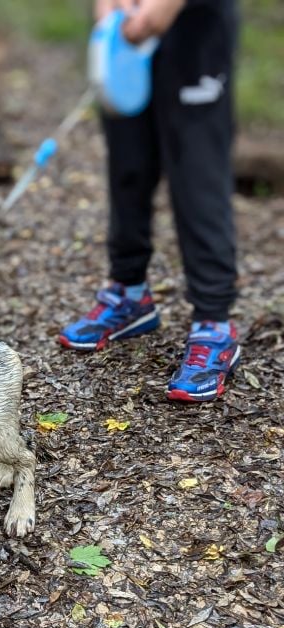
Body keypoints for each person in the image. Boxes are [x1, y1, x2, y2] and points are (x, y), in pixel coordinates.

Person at [59, 0, 240, 402]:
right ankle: (129, 293)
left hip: (196, 30)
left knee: (197, 175)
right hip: (127, 29)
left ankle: (214, 322)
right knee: (129, 164)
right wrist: (108, 11)